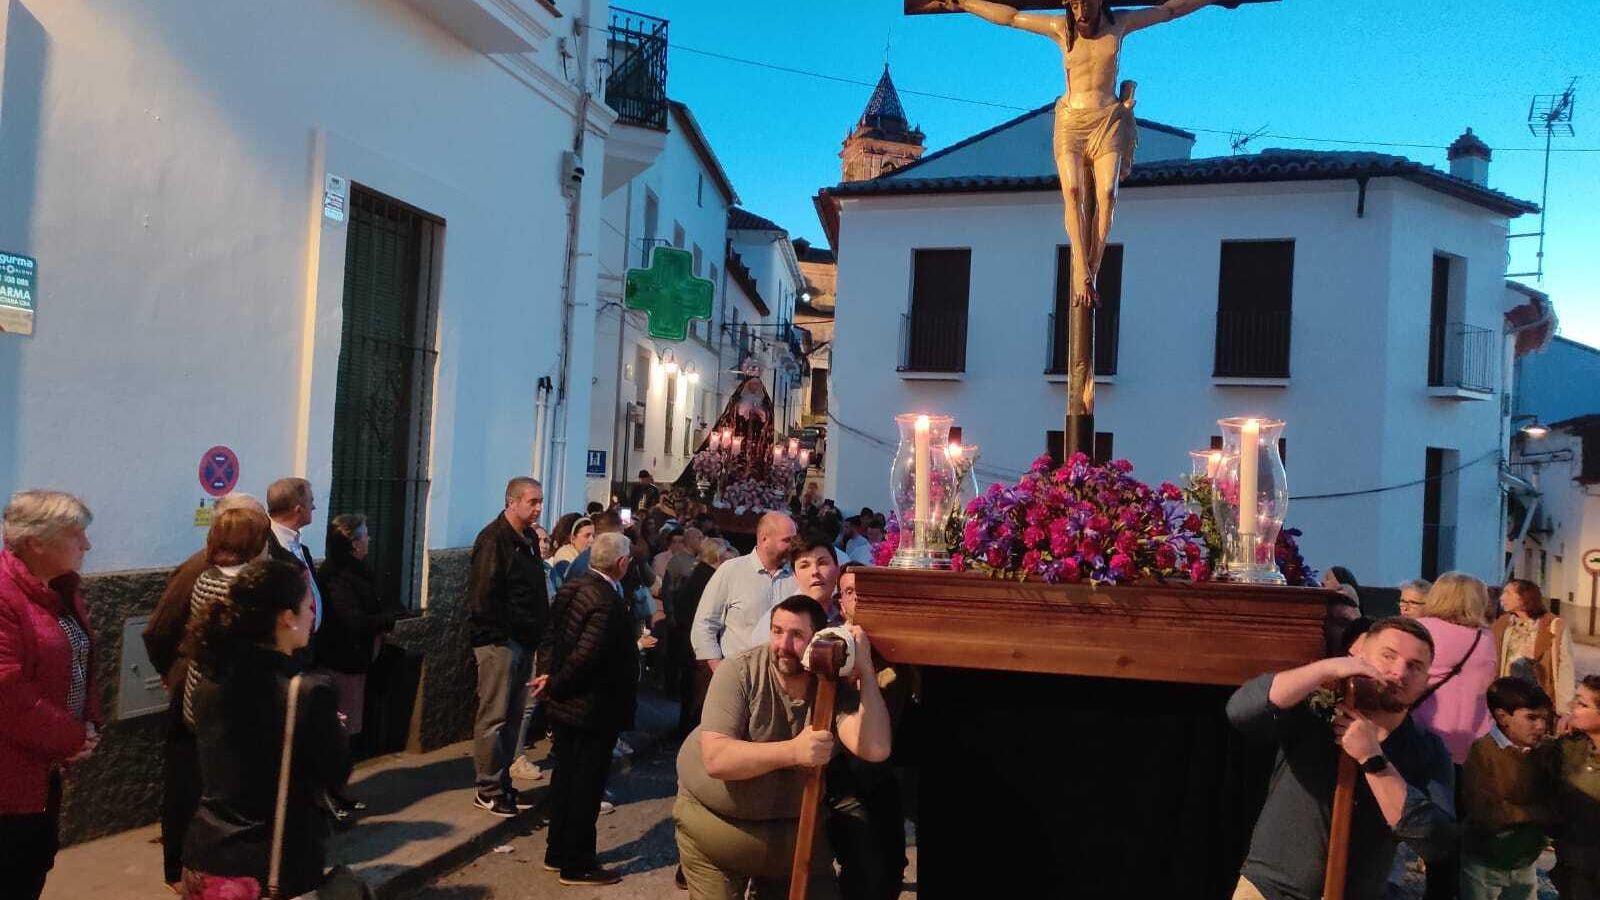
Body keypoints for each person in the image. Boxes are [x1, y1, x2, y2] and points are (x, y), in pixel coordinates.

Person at [674, 596, 892, 898]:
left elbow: (876, 748)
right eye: (777, 631)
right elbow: (716, 758)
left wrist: (866, 672)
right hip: (716, 833)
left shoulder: (828, 683)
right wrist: (794, 751)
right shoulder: (739, 671)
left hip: (792, 840)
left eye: (797, 635)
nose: (783, 645)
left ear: (817, 638)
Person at [1227, 617, 1455, 900]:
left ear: (1426, 682)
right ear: (1359, 656)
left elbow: (1436, 841)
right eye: (1388, 656)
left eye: (1415, 666)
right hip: (1271, 890)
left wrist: (1374, 759)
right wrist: (1325, 668)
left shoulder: (1427, 749)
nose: (1399, 671)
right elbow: (1242, 711)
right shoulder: (1316, 710)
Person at [181, 560, 351, 898]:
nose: (312, 613)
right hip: (269, 861)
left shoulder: (211, 679)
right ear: (286, 617)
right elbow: (335, 774)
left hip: (206, 856)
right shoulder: (307, 692)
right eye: (307, 605)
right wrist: (332, 730)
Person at [159, 506, 273, 891]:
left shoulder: (206, 577)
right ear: (254, 542)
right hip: (234, 705)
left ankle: (192, 871)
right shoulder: (251, 585)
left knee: (196, 791)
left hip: (198, 693)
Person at [532, 533, 648, 886]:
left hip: (569, 702)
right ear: (622, 563)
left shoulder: (575, 585)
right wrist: (555, 682)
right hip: (591, 707)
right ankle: (577, 862)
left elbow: (550, 636)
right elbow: (588, 654)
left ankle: (557, 851)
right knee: (585, 784)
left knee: (566, 778)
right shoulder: (606, 600)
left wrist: (548, 676)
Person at [0, 491, 100, 900]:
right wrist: (73, 737)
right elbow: (8, 694)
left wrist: (88, 723)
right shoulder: (5, 596)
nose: (87, 545)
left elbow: (80, 660)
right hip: (9, 775)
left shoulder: (59, 589)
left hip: (44, 767)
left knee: (32, 864)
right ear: (36, 541)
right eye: (76, 534)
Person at [467, 477, 548, 817]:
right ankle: (487, 787)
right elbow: (484, 595)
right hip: (500, 642)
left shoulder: (528, 538)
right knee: (495, 715)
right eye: (532, 501)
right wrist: (503, 634)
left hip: (523, 640)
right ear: (512, 502)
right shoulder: (493, 540)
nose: (538, 508)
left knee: (513, 715)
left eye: (540, 501)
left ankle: (502, 783)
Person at [144, 492, 267, 685]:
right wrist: (172, 673)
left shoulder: (245, 569)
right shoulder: (201, 568)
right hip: (196, 681)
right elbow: (159, 630)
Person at [1459, 677, 1551, 900]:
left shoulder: (1543, 751)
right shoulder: (1484, 752)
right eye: (1532, 718)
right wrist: (1536, 813)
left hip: (1524, 861)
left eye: (1544, 719)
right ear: (1503, 717)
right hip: (1484, 861)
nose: (1540, 726)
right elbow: (1486, 811)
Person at [316, 514, 401, 745]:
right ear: (354, 543)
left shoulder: (358, 571)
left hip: (357, 657)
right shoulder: (337, 575)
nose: (370, 539)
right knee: (344, 723)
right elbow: (351, 618)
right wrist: (385, 620)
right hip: (344, 659)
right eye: (365, 535)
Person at [690, 512, 800, 672]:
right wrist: (719, 669)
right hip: (740, 675)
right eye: (786, 540)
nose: (793, 546)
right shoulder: (731, 571)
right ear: (764, 539)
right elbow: (704, 623)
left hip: (786, 678)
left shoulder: (797, 575)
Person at [672, 539, 738, 739]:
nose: (730, 553)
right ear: (717, 555)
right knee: (697, 696)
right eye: (726, 550)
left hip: (690, 645)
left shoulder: (703, 574)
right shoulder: (707, 578)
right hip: (698, 648)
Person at [1543, 674, 1600, 899]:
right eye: (1575, 700)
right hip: (1572, 866)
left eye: (1582, 704)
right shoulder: (1570, 747)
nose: (1572, 707)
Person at [1493, 579, 1575, 718]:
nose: (1502, 598)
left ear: (1524, 598)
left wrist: (1565, 711)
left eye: (1508, 593)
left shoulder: (1554, 625)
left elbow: (1565, 668)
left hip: (1539, 701)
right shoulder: (1503, 624)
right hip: (1508, 701)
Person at [265, 478, 325, 648]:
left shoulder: (300, 547)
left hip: (306, 645)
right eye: (311, 501)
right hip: (284, 648)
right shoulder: (267, 546)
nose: (313, 507)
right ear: (298, 509)